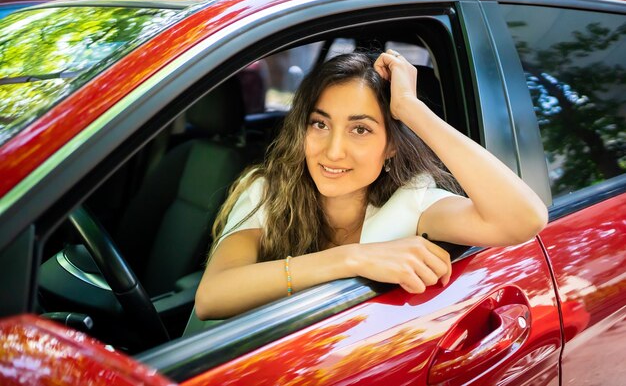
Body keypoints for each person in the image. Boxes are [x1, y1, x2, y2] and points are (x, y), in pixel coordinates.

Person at [194, 50, 548, 320]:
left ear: (391, 143)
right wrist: (352, 259)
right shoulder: (269, 189)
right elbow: (212, 297)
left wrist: (411, 109)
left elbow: (522, 219)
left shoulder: (414, 202)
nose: (333, 151)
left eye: (360, 129)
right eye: (320, 124)